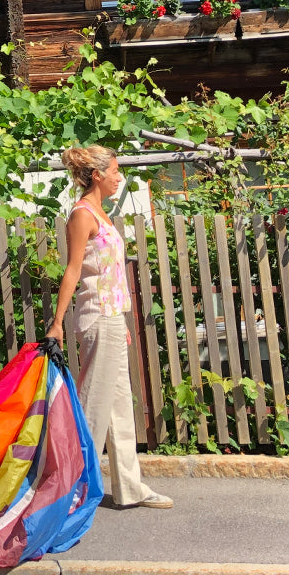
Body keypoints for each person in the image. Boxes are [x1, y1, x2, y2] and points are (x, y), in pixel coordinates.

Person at [46, 145, 172, 510]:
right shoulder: (81, 214)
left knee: (119, 409)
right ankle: (66, 491)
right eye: (115, 171)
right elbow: (73, 270)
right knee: (93, 408)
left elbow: (111, 275)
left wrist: (122, 319)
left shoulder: (103, 212)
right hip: (97, 318)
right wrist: (57, 322)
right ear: (98, 175)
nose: (120, 177)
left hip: (111, 318)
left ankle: (130, 489)